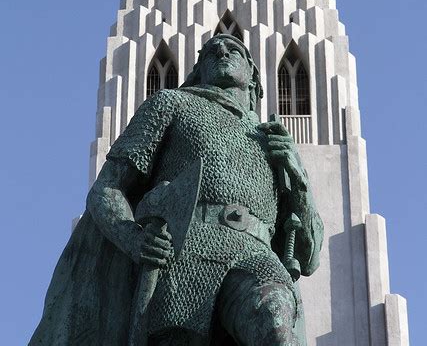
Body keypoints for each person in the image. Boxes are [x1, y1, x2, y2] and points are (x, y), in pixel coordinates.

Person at [30, 34, 323, 345]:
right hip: (186, 250)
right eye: (211, 52)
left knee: (275, 326)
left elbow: (308, 258)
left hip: (255, 254)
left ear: (252, 76)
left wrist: (298, 177)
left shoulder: (273, 140)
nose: (222, 51)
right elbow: (106, 189)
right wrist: (134, 239)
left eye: (233, 49)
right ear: (197, 71)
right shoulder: (172, 104)